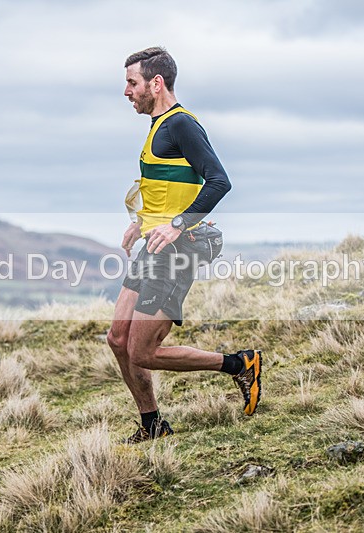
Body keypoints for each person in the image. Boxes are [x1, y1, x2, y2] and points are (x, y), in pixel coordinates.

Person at [107, 46, 262, 444]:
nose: (126, 91)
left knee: (142, 352)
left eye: (132, 83)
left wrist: (177, 225)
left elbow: (219, 181)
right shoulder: (158, 126)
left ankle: (239, 364)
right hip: (153, 246)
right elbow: (167, 187)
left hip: (178, 250)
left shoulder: (182, 125)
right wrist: (141, 222)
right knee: (118, 340)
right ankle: (152, 426)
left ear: (155, 84)